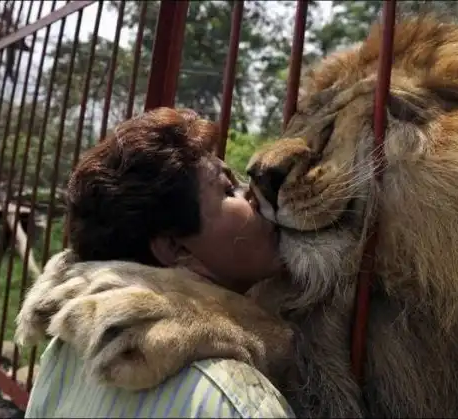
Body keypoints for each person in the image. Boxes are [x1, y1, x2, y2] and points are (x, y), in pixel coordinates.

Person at [24, 107, 295, 418]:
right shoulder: (236, 400)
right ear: (175, 248)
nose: (255, 197)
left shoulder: (66, 352)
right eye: (228, 189)